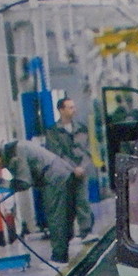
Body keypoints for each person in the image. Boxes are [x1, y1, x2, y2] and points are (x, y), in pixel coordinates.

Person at [2, 138, 78, 264]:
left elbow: (24, 183)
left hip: (54, 178)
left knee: (56, 217)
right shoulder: (18, 146)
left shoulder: (18, 151)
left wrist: (6, 184)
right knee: (63, 216)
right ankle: (62, 251)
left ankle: (59, 257)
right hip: (63, 173)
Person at [42, 96, 94, 241]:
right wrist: (73, 168)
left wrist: (82, 167)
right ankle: (67, 235)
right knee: (65, 206)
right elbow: (57, 153)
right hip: (64, 174)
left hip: (81, 172)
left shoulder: (81, 128)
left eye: (74, 107)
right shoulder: (53, 131)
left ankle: (86, 231)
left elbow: (88, 150)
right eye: (70, 107)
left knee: (83, 201)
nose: (74, 110)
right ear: (61, 110)